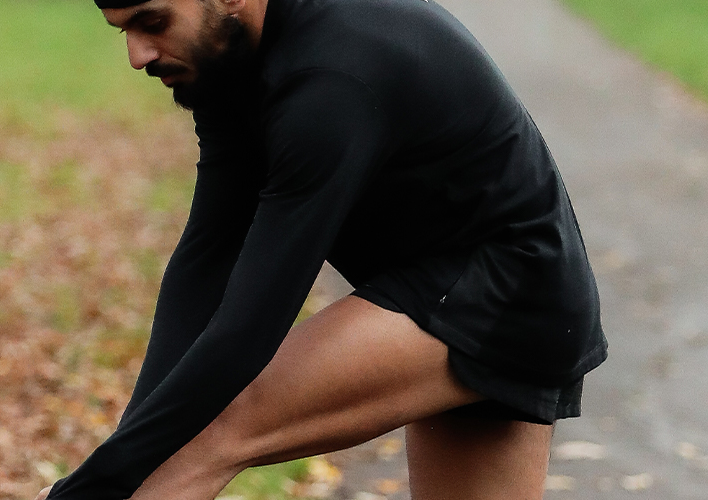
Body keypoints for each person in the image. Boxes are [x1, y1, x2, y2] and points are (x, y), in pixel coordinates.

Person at [37, 0, 607, 496]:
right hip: (467, 291)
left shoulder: (330, 77)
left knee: (196, 432)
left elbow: (248, 325)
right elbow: (208, 258)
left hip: (506, 293)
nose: (138, 55)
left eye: (153, 22)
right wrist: (120, 452)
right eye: (124, 31)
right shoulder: (227, 60)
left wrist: (100, 481)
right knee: (161, 437)